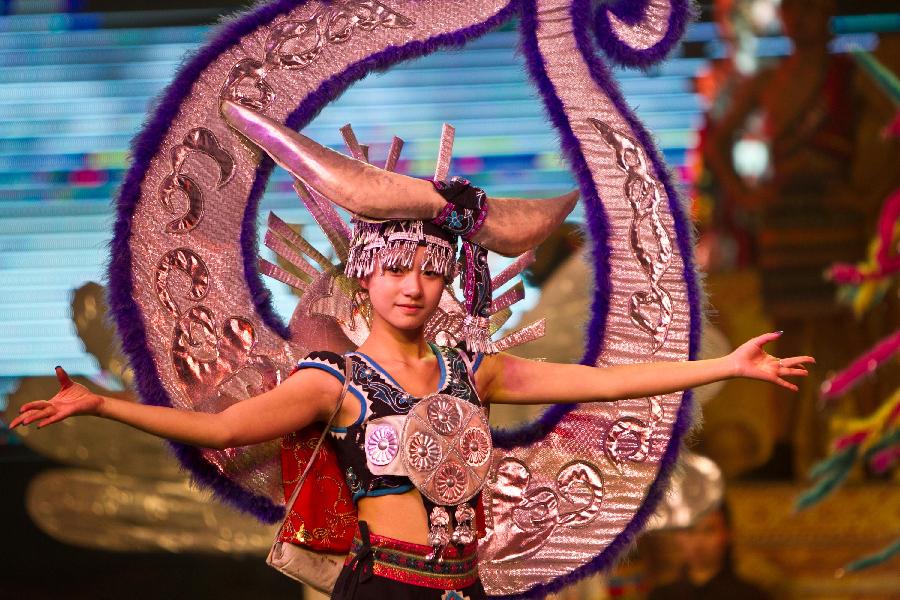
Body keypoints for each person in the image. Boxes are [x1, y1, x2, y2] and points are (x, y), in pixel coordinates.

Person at [10, 106, 815, 599]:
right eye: (395, 270)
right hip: (382, 590)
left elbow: (603, 383)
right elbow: (225, 433)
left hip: (465, 588)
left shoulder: (473, 372)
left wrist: (727, 366)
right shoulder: (336, 384)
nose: (413, 288)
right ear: (365, 281)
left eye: (431, 274)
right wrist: (102, 402)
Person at [648, 504, 770, 600]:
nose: (698, 542)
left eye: (709, 530)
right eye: (690, 531)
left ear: (728, 534)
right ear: (677, 537)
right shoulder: (661, 596)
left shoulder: (751, 596)